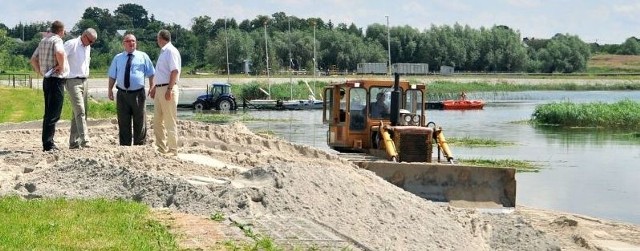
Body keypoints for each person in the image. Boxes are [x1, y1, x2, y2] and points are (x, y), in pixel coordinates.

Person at [107, 34, 155, 146]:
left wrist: (152, 86)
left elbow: (151, 73)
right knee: (123, 121)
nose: (131, 43)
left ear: (136, 43)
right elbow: (112, 75)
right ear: (123, 43)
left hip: (138, 93)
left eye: (133, 41)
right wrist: (110, 89)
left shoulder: (143, 56)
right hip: (122, 94)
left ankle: (140, 145)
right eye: (128, 41)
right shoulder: (118, 58)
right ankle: (125, 145)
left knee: (140, 120)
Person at [30, 20, 68, 151]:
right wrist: (62, 66)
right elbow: (60, 53)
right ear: (61, 30)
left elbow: (33, 59)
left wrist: (40, 70)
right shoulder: (57, 40)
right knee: (54, 113)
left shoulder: (43, 41)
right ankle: (48, 143)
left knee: (48, 112)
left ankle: (46, 141)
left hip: (46, 79)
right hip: (56, 79)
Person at [64, 28, 97, 149]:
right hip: (72, 80)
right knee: (80, 110)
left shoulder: (87, 47)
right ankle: (85, 140)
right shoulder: (71, 44)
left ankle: (73, 141)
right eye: (90, 41)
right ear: (84, 36)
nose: (91, 43)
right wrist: (59, 68)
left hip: (84, 80)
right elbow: (60, 55)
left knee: (78, 112)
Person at [151, 30, 181, 156]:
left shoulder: (170, 51)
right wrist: (154, 87)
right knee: (157, 120)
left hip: (167, 88)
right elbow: (162, 73)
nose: (157, 40)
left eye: (157, 38)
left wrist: (169, 89)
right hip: (160, 88)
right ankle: (161, 147)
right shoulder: (163, 52)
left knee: (169, 120)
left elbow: (174, 71)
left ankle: (173, 149)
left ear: (161, 38)